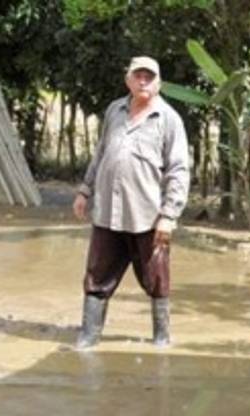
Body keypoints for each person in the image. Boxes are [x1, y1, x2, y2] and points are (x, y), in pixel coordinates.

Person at [73, 55, 190, 349]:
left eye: (149, 77)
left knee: (157, 279)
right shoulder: (115, 110)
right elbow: (100, 153)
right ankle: (89, 336)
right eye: (138, 75)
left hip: (148, 216)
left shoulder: (168, 119)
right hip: (107, 214)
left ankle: (161, 339)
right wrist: (85, 190)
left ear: (159, 83)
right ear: (128, 79)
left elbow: (178, 170)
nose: (143, 81)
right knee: (97, 276)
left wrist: (169, 215)